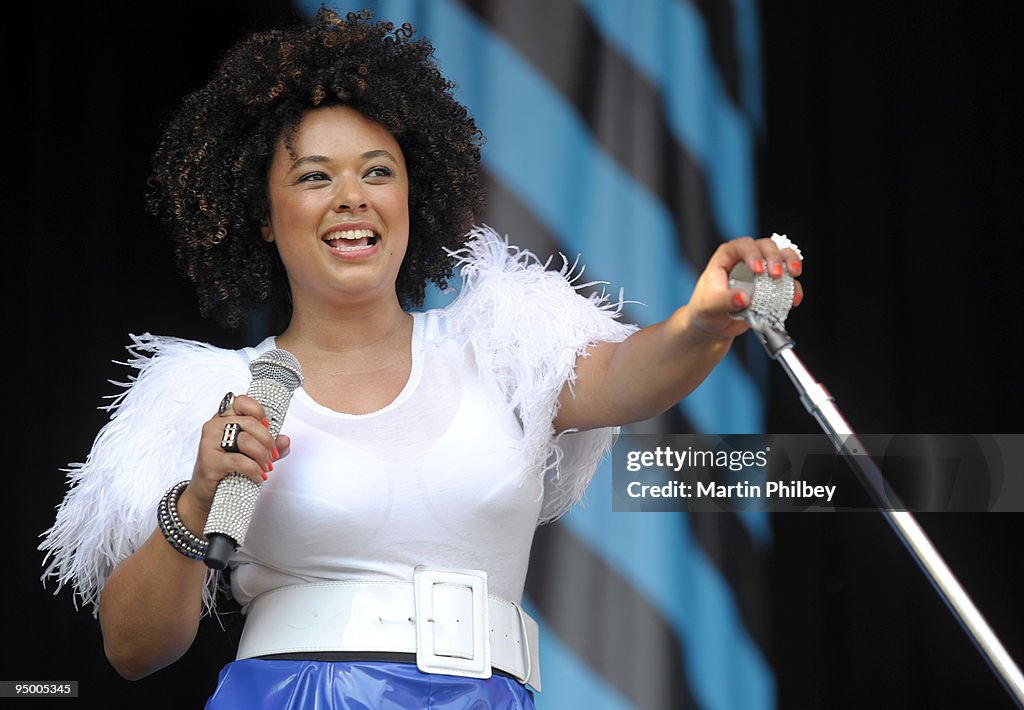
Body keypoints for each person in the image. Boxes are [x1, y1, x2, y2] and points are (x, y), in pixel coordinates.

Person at [40, 8, 802, 709]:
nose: (352, 196)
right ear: (262, 217)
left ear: (414, 194)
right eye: (314, 176)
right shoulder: (216, 395)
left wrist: (702, 322)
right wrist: (198, 500)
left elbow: (626, 377)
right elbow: (134, 649)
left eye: (378, 171)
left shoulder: (499, 346)